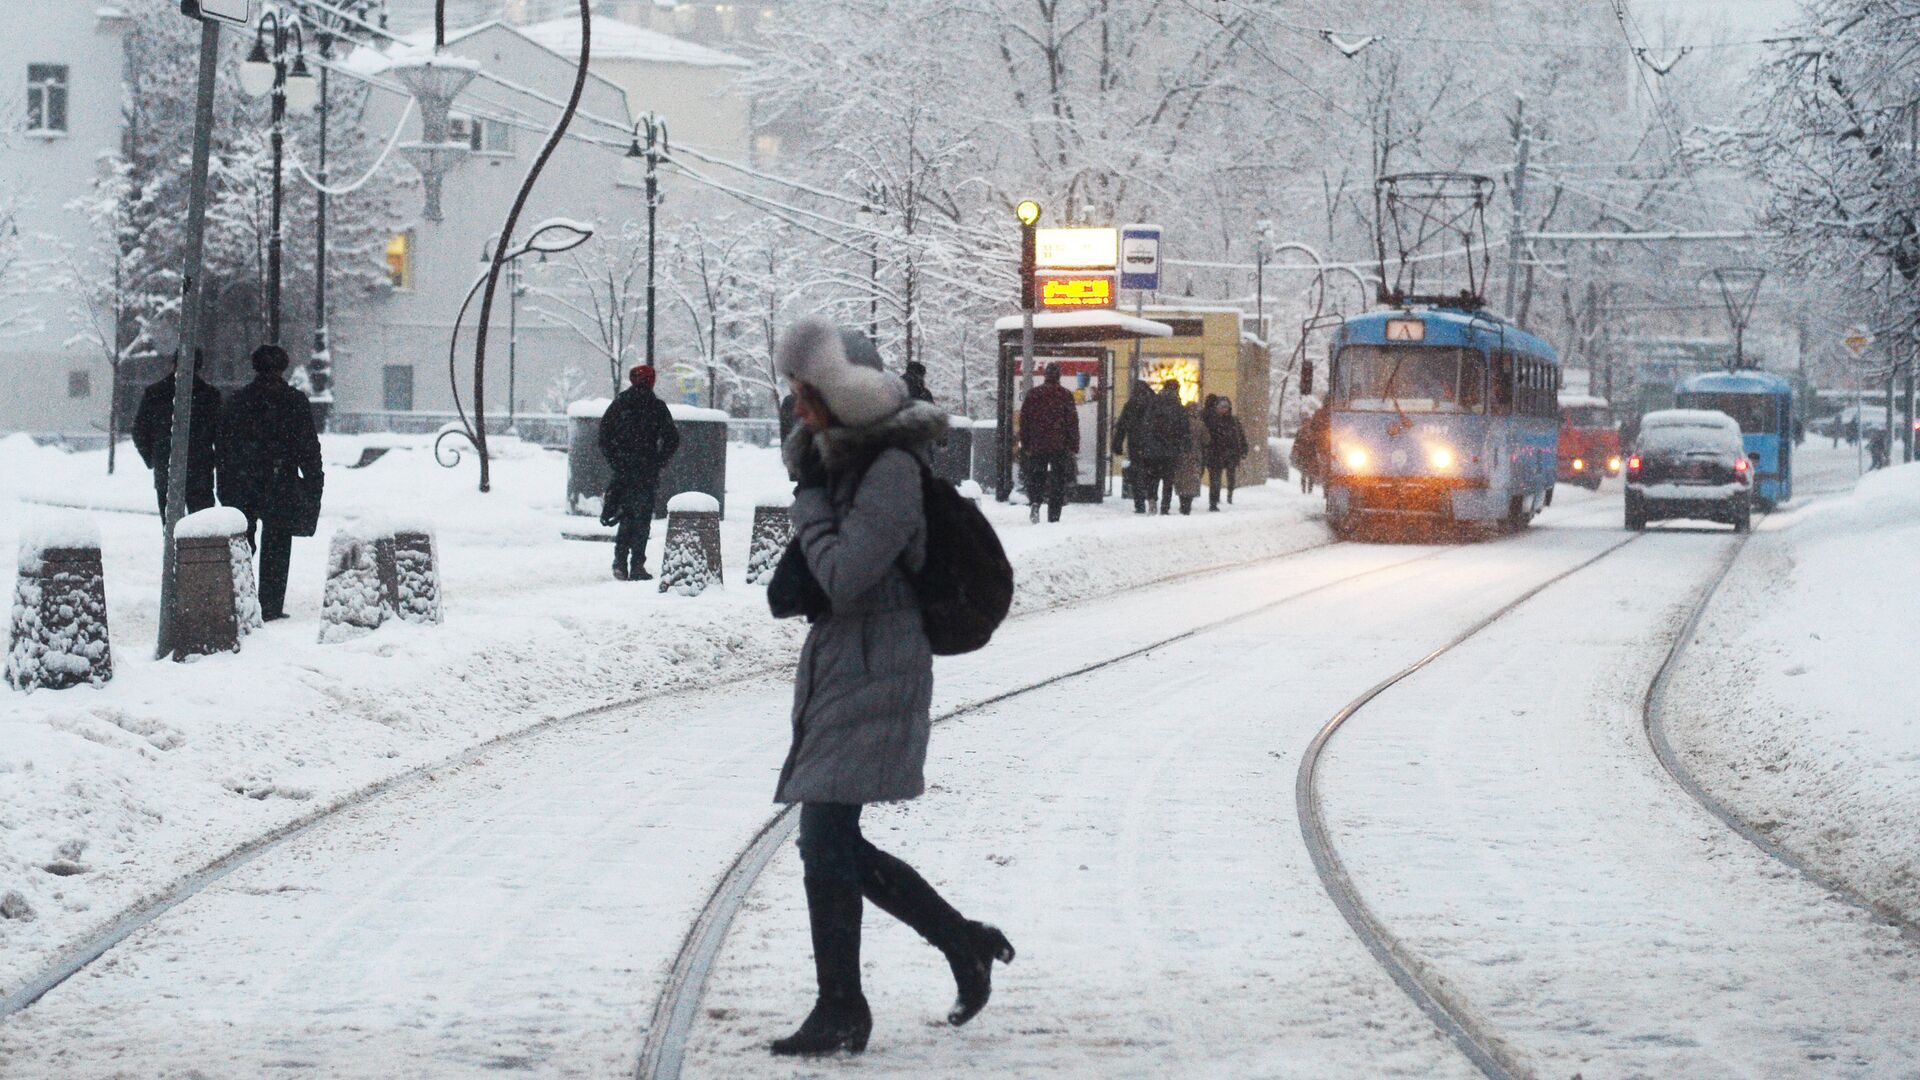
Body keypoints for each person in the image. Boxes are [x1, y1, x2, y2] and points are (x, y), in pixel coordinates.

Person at [767, 318, 1013, 1057]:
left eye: (808, 395)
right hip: (849, 659)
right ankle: (957, 944)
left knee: (826, 838)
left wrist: (808, 506)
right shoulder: (844, 465)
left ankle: (844, 1006)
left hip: (880, 660)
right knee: (831, 842)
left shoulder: (890, 471)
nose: (798, 409)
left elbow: (844, 575)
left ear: (843, 397)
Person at [218, 344, 324, 622]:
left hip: (245, 482)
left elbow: (225, 448)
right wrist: (314, 483)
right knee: (277, 544)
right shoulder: (294, 401)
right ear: (283, 368)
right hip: (281, 482)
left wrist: (225, 485)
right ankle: (271, 605)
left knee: (242, 543)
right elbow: (308, 447)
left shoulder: (238, 400)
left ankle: (241, 600)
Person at [598, 364, 680, 581]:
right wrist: (658, 461)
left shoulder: (620, 404)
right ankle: (637, 565)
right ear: (651, 381)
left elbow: (604, 436)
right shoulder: (656, 406)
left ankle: (620, 561)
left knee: (626, 514)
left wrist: (616, 460)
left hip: (624, 470)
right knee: (642, 518)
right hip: (646, 470)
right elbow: (672, 438)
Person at [132, 352, 223, 517]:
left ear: (173, 363)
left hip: (167, 470)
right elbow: (221, 435)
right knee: (202, 529)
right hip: (200, 472)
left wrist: (154, 458)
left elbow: (140, 431)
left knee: (171, 527)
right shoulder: (210, 395)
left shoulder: (155, 393)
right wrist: (214, 459)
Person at [1018, 362, 1079, 523]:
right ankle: (1054, 515)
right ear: (1059, 376)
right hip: (1060, 445)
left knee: (1037, 475)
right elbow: (1072, 422)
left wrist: (1025, 443)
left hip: (1038, 444)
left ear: (1045, 375)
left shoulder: (1033, 394)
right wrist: (1073, 445)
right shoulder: (1065, 395)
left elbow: (1024, 420)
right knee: (1058, 480)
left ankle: (1036, 503)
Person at [1133, 380, 1189, 515]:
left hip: (1152, 450)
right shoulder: (1178, 406)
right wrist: (1185, 446)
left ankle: (1152, 501)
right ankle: (1165, 507)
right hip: (1170, 450)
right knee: (1168, 480)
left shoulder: (1153, 403)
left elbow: (1145, 426)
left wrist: (1143, 445)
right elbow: (1184, 429)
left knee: (1153, 478)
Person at [1203, 394, 1250, 511]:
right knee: (1215, 480)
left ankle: (1229, 495)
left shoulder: (1234, 421)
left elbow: (1240, 437)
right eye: (1221, 406)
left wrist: (1243, 450)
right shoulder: (1212, 420)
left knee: (1230, 477)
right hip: (1216, 454)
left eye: (1225, 406)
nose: (1223, 409)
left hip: (1230, 454)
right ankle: (1213, 502)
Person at [1111, 379, 1154, 504]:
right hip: (1151, 443)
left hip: (1135, 442)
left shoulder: (1130, 404)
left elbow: (1122, 426)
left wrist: (1117, 444)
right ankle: (1150, 497)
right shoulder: (1153, 403)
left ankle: (1139, 501)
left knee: (1136, 470)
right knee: (1150, 471)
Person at [1172, 398, 1209, 515]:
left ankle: (1182, 502)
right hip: (1195, 455)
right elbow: (1206, 440)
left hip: (1180, 454)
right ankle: (1187, 504)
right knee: (1192, 480)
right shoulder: (1200, 424)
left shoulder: (1179, 422)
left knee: (1181, 479)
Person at [1292, 403, 1329, 494]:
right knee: (1306, 473)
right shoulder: (1302, 431)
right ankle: (1306, 490)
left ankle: (1307, 490)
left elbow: (1298, 443)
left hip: (1309, 454)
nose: (1306, 423)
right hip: (1307, 454)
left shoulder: (1308, 431)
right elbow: (1297, 443)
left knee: (1309, 473)